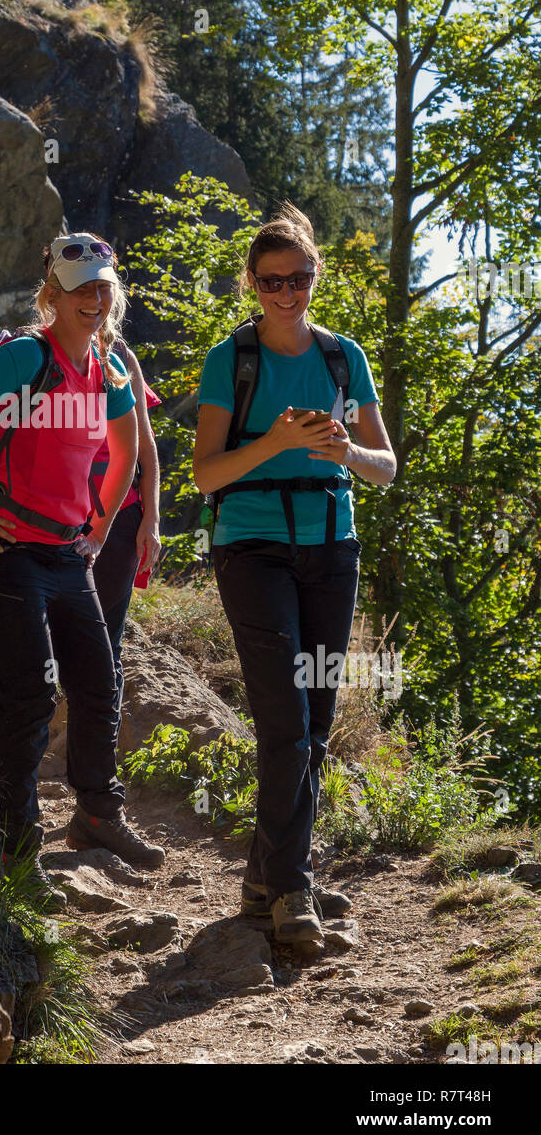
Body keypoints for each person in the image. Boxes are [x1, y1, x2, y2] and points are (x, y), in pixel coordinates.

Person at [0, 232, 166, 896]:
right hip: (3, 548)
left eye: (103, 289)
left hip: (65, 554)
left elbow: (125, 454)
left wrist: (102, 523)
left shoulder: (106, 369)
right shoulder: (27, 357)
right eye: (80, 288)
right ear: (52, 295)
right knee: (29, 693)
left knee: (97, 682)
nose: (94, 300)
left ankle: (95, 813)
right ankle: (14, 849)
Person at [193, 203, 396, 948]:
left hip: (329, 548)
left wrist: (343, 453)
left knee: (312, 722)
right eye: (272, 281)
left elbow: (386, 468)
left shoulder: (343, 356)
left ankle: (267, 874)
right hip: (250, 548)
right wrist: (274, 441)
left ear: (314, 277)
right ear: (251, 283)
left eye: (298, 278)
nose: (286, 293)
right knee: (284, 717)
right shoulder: (232, 359)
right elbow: (203, 472)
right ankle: (291, 889)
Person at [90, 335, 162, 702]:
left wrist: (151, 520)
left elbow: (145, 445)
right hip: (57, 511)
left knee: (107, 635)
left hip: (121, 513)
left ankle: (101, 746)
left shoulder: (120, 356)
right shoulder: (38, 349)